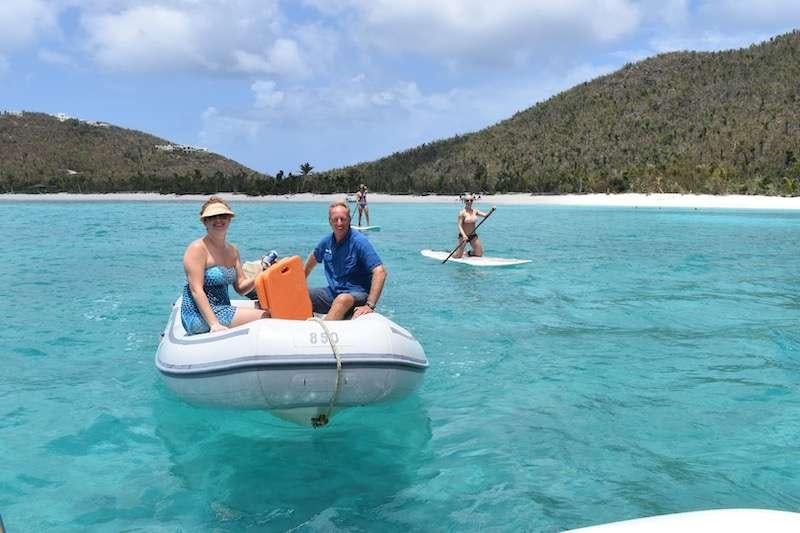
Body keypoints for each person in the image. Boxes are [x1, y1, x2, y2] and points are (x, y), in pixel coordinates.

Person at [180, 196, 269, 334]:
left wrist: (262, 274)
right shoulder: (197, 249)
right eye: (213, 217)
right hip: (199, 314)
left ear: (229, 220)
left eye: (223, 216)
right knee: (266, 316)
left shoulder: (233, 251)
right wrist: (214, 324)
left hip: (223, 308)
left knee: (271, 309)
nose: (219, 220)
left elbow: (241, 288)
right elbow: (196, 290)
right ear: (205, 222)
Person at [305, 201, 386, 320]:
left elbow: (380, 272)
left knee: (342, 299)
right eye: (335, 219)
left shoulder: (359, 242)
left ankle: (326, 333)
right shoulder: (326, 242)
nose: (339, 223)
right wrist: (299, 282)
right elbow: (312, 259)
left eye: (343, 219)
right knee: (302, 295)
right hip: (332, 293)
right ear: (330, 221)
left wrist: (370, 305)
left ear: (349, 220)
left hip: (357, 294)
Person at [454, 193, 495, 258]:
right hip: (463, 236)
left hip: (473, 236)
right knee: (458, 256)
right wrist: (464, 235)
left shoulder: (475, 211)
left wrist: (491, 210)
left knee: (479, 254)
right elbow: (459, 225)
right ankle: (454, 253)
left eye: (471, 200)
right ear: (464, 201)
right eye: (467, 200)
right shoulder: (462, 213)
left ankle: (467, 253)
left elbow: (485, 215)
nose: (469, 202)